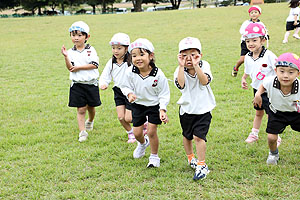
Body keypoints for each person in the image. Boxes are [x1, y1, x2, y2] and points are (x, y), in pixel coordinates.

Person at [121, 38, 170, 168]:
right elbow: (124, 86)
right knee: (137, 133)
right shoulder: (130, 71)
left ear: (151, 55)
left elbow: (164, 93)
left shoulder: (158, 75)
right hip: (137, 104)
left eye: (142, 54)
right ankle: (143, 144)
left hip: (154, 105)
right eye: (134, 55)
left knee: (151, 131)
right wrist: (129, 94)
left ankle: (154, 157)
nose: (138, 58)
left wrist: (162, 110)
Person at [174, 37, 216, 181]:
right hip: (186, 109)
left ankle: (202, 164)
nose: (189, 58)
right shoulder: (179, 70)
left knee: (199, 136)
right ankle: (191, 157)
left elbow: (204, 82)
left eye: (193, 54)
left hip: (203, 108)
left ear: (200, 55)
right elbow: (181, 85)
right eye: (184, 55)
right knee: (187, 135)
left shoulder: (205, 66)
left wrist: (197, 65)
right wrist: (181, 66)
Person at [253, 53, 300, 165]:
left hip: (296, 113)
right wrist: (258, 94)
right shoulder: (271, 81)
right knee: (271, 137)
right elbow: (263, 85)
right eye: (282, 71)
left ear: (298, 73)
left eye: (291, 72)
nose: (285, 76)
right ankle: (273, 153)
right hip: (277, 113)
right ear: (275, 71)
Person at [241, 23, 281, 146]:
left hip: (269, 90)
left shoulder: (269, 55)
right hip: (256, 89)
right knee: (258, 112)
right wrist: (244, 78)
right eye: (248, 41)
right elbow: (247, 70)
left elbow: (278, 68)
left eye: (254, 40)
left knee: (271, 113)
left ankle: (275, 135)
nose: (250, 44)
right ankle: (254, 133)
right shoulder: (248, 56)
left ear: (263, 40)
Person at [61, 21, 101, 142]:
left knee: (91, 107)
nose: (76, 38)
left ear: (86, 37)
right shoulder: (70, 52)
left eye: (79, 35)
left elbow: (94, 65)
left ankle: (90, 120)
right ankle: (82, 132)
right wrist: (66, 56)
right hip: (77, 84)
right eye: (73, 35)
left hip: (91, 84)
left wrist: (79, 67)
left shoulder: (91, 50)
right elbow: (70, 68)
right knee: (81, 109)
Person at [99, 33, 136, 143]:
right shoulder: (111, 62)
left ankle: (144, 122)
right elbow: (105, 75)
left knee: (129, 118)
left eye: (119, 48)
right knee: (121, 117)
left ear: (126, 48)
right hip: (118, 91)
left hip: (130, 91)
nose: (116, 51)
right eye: (113, 48)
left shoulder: (131, 62)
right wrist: (104, 83)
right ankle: (131, 133)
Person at [232, 5, 268, 77]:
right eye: (252, 12)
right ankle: (236, 68)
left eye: (255, 12)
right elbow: (241, 31)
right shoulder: (246, 23)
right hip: (246, 43)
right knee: (243, 59)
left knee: (257, 58)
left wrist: (266, 36)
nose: (254, 14)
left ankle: (256, 73)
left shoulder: (261, 24)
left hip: (257, 44)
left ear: (259, 14)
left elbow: (265, 31)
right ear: (249, 14)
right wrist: (249, 34)